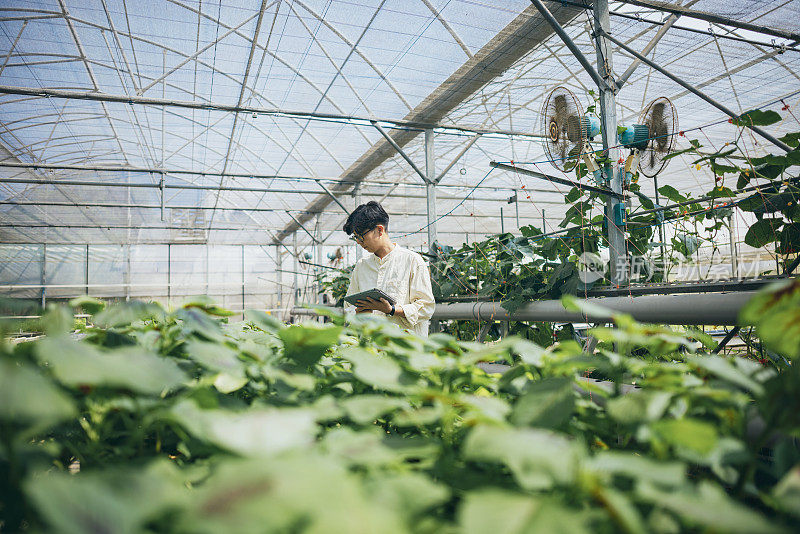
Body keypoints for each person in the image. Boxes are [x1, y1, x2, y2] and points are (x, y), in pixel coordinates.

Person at [343, 201, 435, 337]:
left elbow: (427, 307)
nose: (358, 242)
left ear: (380, 230)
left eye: (361, 237)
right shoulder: (362, 266)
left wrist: (391, 310)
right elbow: (348, 307)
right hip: (371, 347)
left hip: (407, 348)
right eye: (356, 237)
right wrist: (358, 312)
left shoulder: (412, 261)